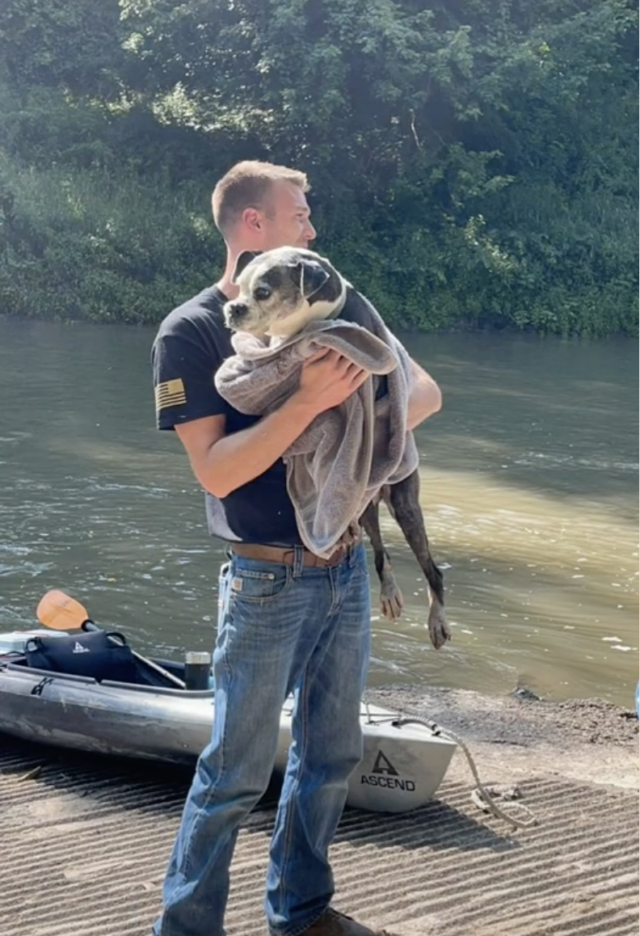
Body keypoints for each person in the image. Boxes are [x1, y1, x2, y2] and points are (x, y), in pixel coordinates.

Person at [151, 160, 442, 936]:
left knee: (332, 760)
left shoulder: (336, 309)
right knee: (233, 776)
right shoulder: (193, 334)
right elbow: (217, 471)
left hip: (345, 564)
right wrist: (312, 399)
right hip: (266, 578)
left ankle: (301, 910)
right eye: (300, 215)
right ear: (255, 227)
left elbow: (427, 394)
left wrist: (362, 404)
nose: (312, 230)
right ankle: (186, 927)